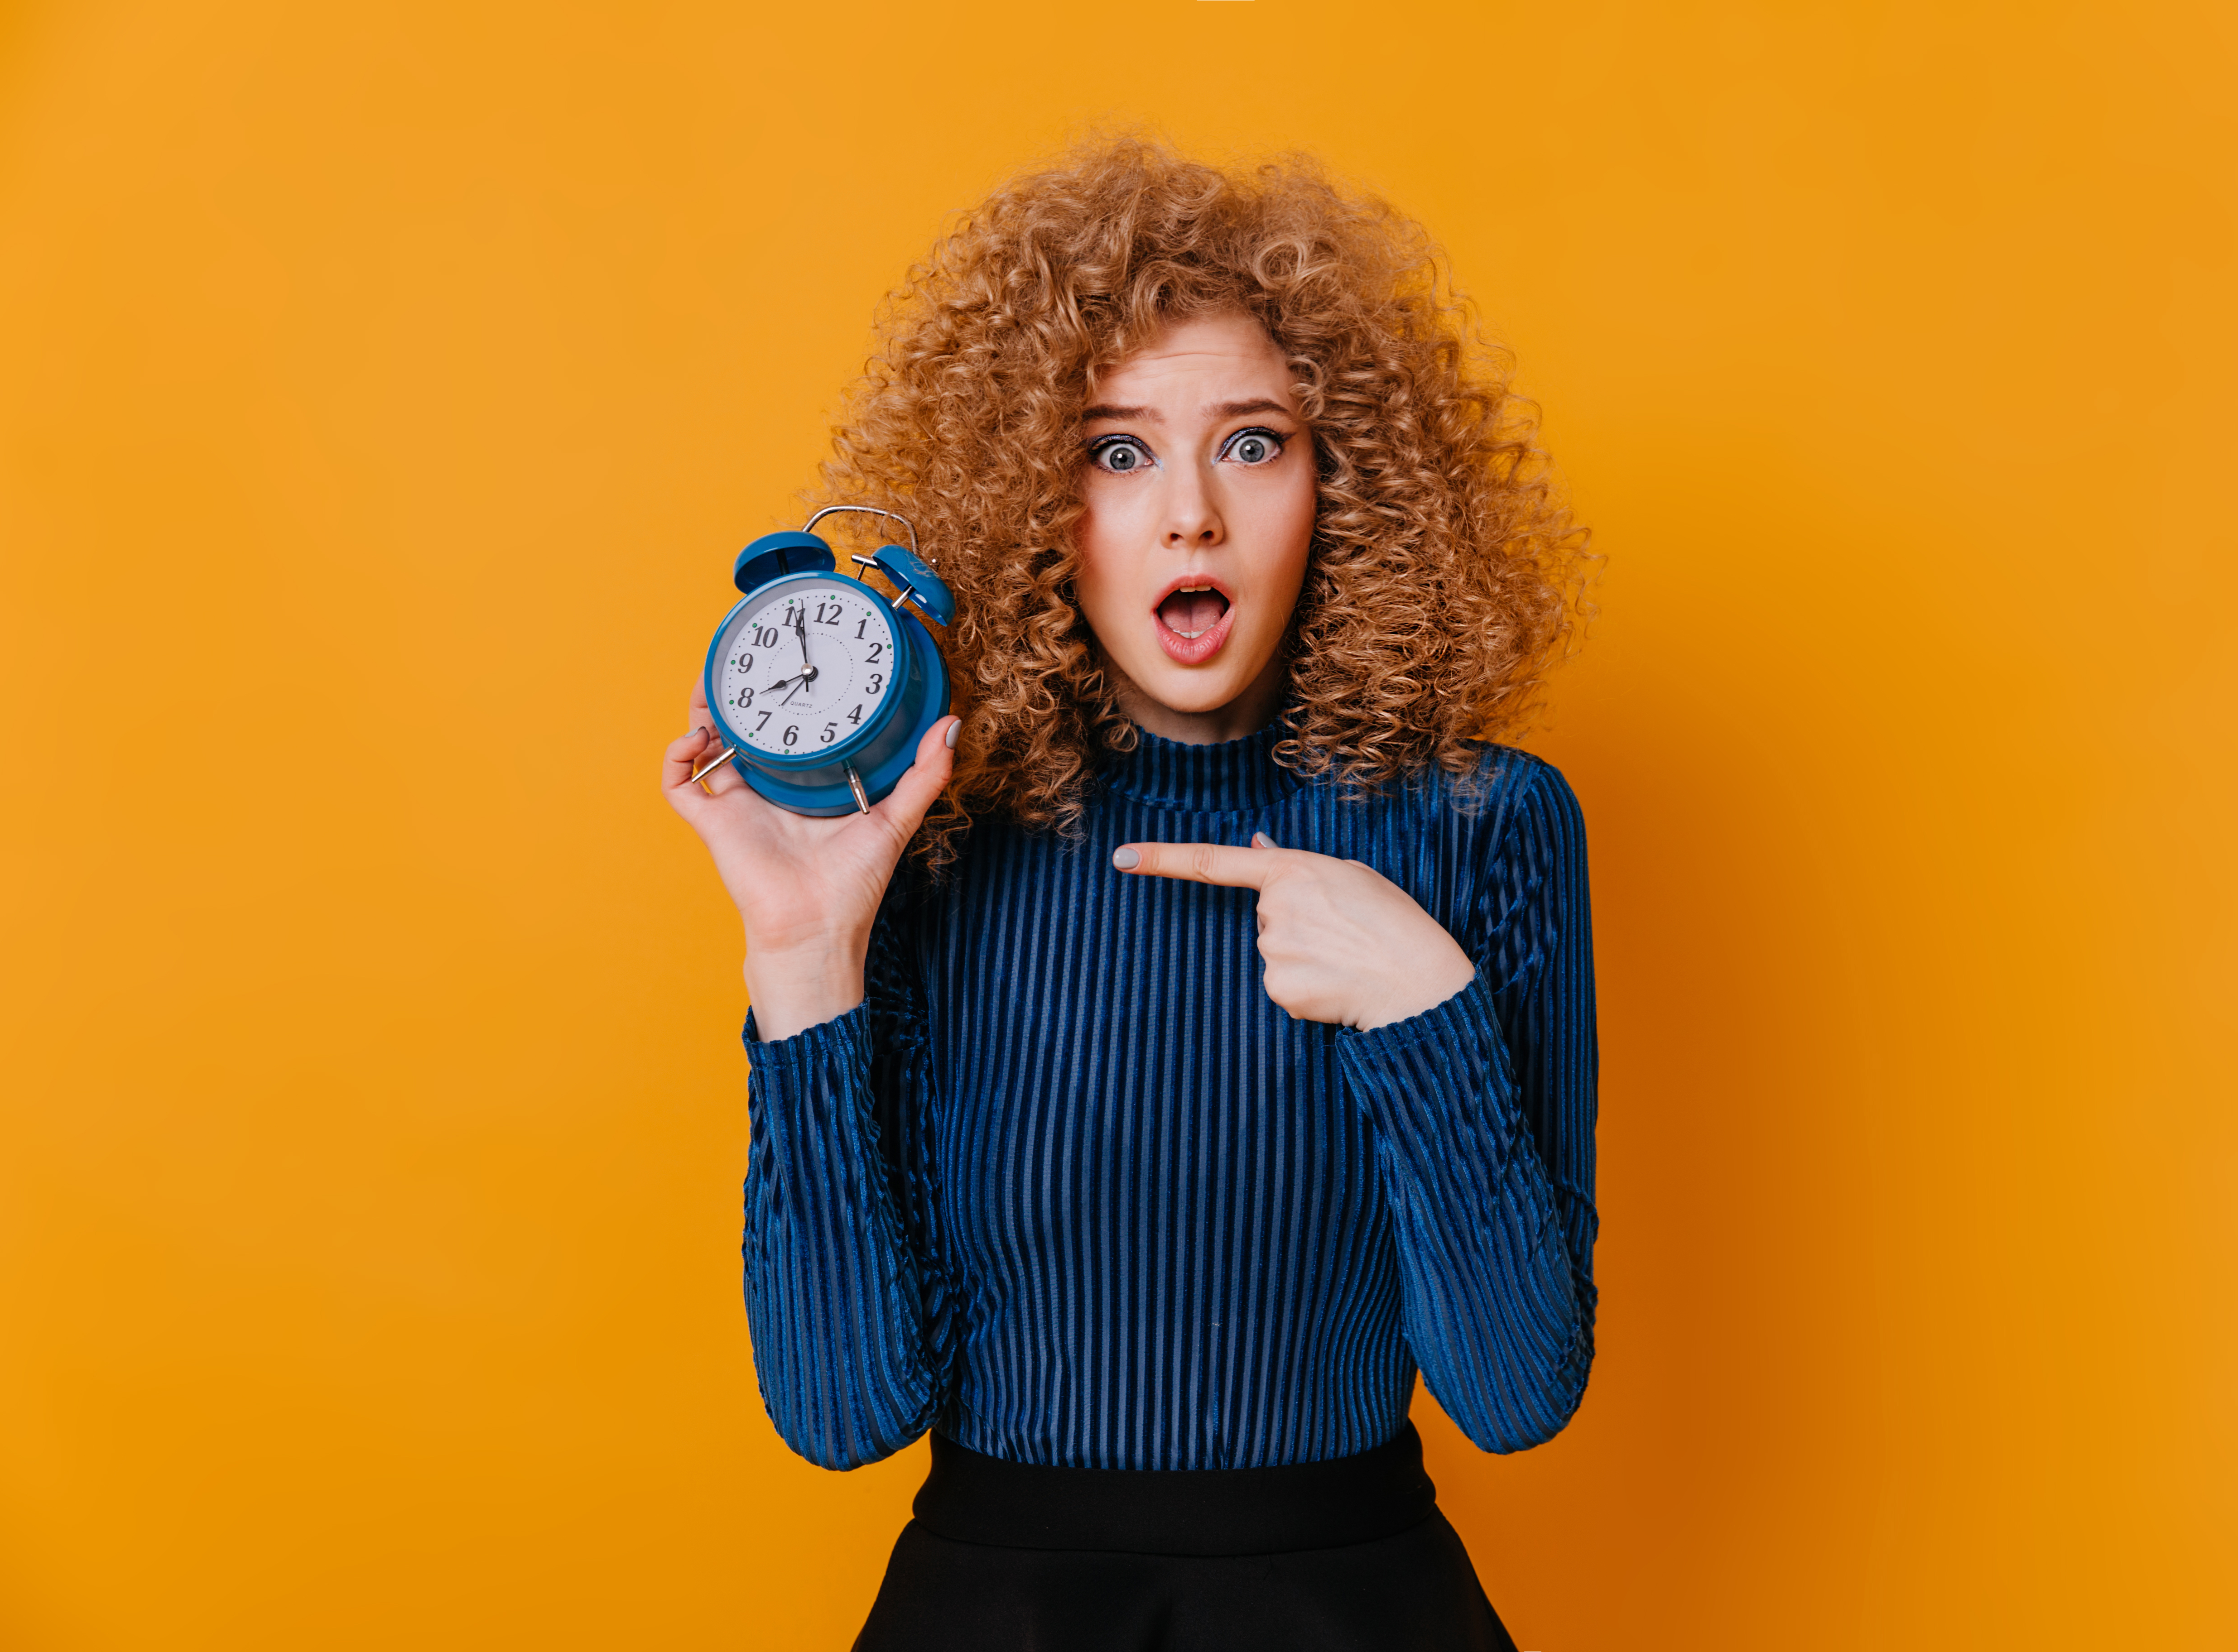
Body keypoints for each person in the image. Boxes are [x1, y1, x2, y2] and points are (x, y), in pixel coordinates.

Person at [662, 139, 1597, 1652]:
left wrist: (1422, 1007)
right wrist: (804, 956)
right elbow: (843, 1414)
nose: (1190, 517)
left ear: (1345, 485)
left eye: (1253, 443)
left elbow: (1514, 1394)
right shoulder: (924, 849)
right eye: (1117, 454)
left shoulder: (1487, 827)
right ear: (1034, 501)